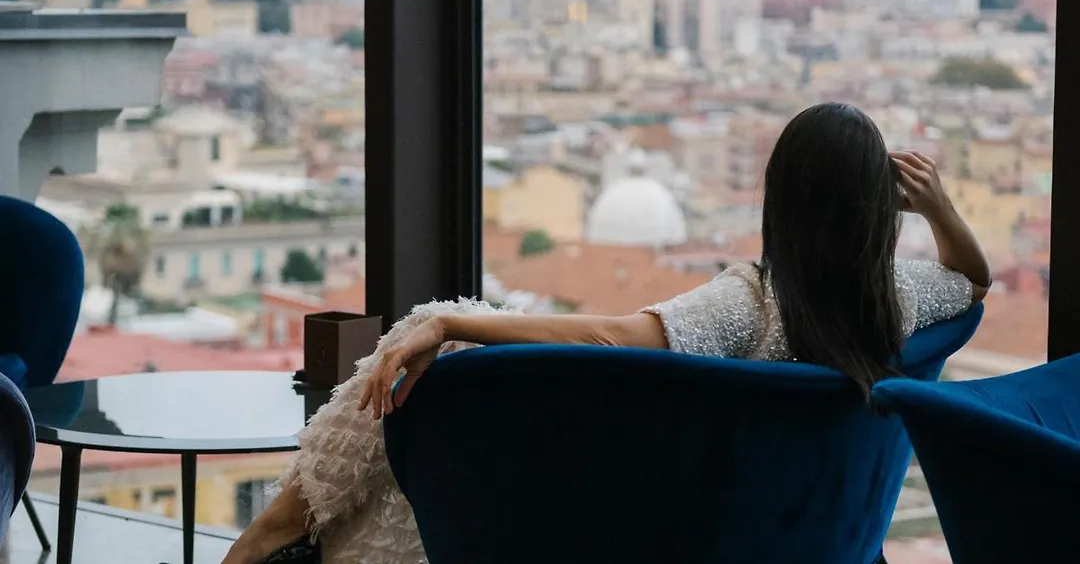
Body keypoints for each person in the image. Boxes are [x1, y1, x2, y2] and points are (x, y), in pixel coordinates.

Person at [221, 102, 991, 564]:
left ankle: (277, 530)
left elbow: (613, 336)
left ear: (780, 202)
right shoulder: (902, 303)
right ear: (880, 210)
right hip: (811, 541)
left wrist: (452, 321)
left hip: (646, 526)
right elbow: (974, 280)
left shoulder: (749, 305)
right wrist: (940, 208)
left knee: (430, 336)